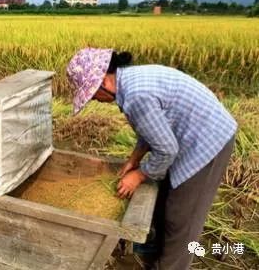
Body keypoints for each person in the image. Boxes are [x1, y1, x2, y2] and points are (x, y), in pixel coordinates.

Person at [66, 48, 237, 270]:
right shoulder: (131, 81)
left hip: (207, 142)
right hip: (190, 135)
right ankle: (156, 251)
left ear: (104, 83)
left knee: (180, 218)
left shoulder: (137, 96)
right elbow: (154, 129)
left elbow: (166, 150)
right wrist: (135, 158)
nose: (95, 100)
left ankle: (170, 265)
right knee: (164, 198)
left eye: (92, 95)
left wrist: (138, 175)